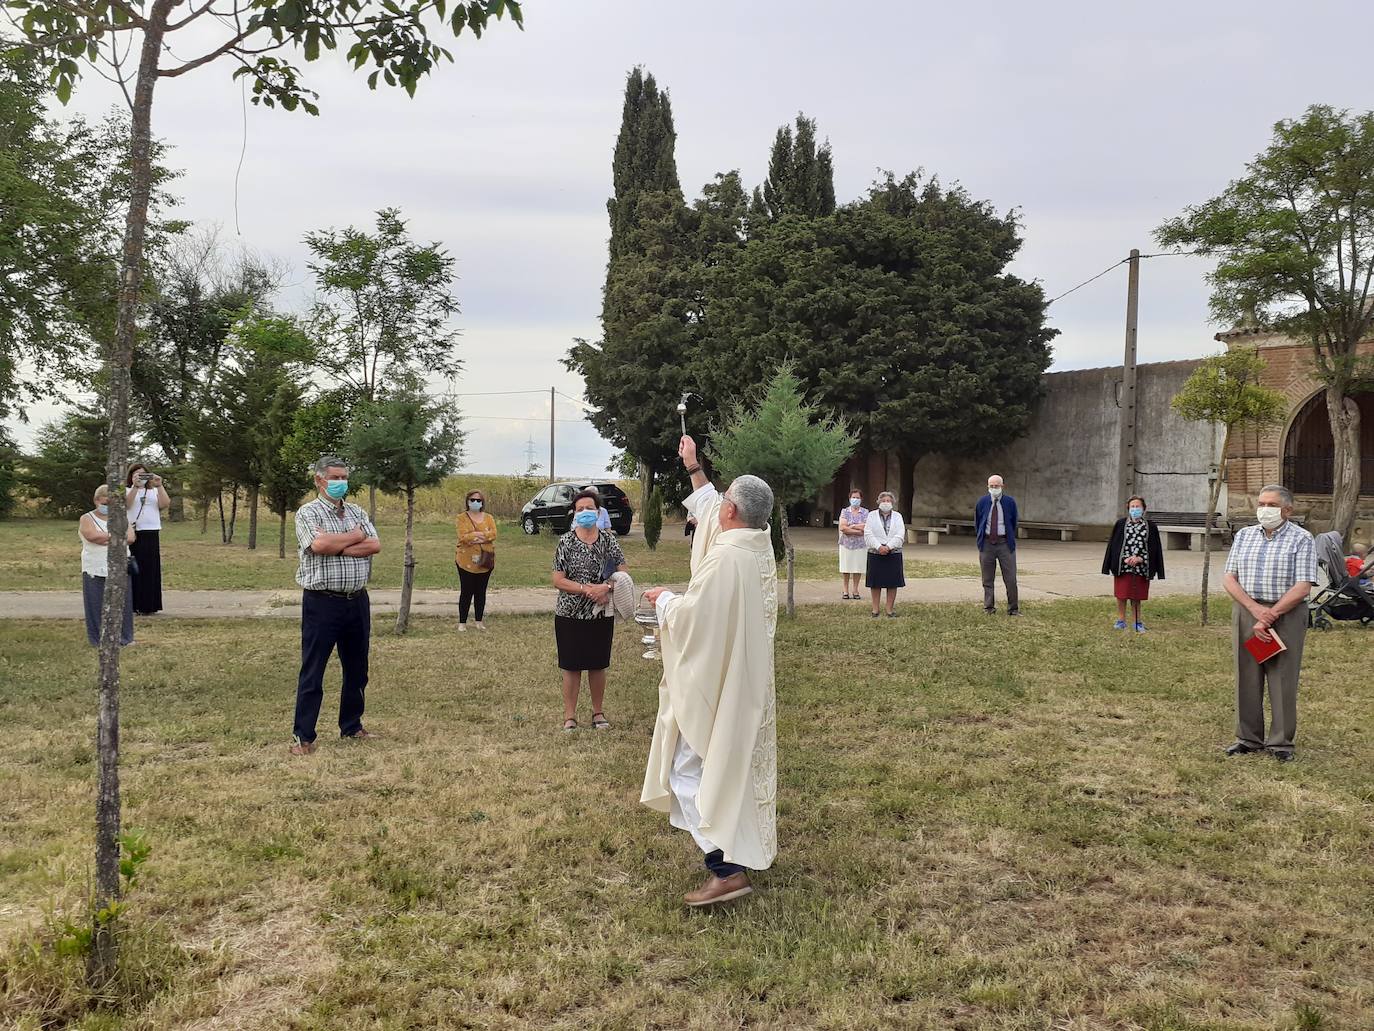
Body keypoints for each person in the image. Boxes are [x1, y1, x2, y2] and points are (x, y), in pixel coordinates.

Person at [641, 435, 777, 907]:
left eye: (723, 504)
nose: (717, 509)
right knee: (725, 768)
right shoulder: (756, 546)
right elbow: (712, 510)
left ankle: (726, 868)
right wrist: (693, 467)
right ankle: (737, 850)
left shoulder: (725, 558)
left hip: (716, 679)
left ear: (731, 514)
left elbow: (693, 618)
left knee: (687, 767)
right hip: (742, 674)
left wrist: (665, 601)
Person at [291, 456, 382, 756]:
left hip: (356, 601)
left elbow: (374, 545)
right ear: (319, 480)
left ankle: (352, 726)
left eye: (344, 477)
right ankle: (303, 737)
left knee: (357, 668)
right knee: (313, 669)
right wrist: (355, 536)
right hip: (322, 603)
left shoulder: (357, 511)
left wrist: (338, 543)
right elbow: (317, 546)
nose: (340, 482)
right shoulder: (308, 513)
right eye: (334, 477)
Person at [1222, 484, 1317, 763]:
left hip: (1285, 613)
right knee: (1246, 673)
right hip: (1248, 611)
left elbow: (1303, 585)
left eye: (1271, 505)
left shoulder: (1302, 539)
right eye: (1261, 504)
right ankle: (1247, 738)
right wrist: (1254, 610)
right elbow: (1230, 577)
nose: (1264, 510)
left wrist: (1270, 615)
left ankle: (1281, 741)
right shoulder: (1244, 536)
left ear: (1287, 510)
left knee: (1282, 676)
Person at [551, 490, 627, 731]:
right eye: (580, 509)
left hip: (600, 613)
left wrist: (606, 587)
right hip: (569, 614)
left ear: (598, 512)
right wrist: (586, 589)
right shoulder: (566, 542)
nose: (585, 512)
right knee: (571, 666)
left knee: (597, 664)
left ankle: (598, 713)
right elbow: (558, 580)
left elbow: (623, 574)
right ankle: (570, 716)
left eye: (589, 508)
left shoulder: (608, 541)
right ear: (574, 513)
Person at [79, 484, 135, 648]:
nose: (107, 507)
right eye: (104, 503)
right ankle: (98, 639)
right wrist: (117, 537)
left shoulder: (121, 517)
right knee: (96, 604)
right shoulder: (87, 518)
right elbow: (92, 536)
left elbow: (131, 537)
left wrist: (108, 538)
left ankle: (125, 637)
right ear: (96, 501)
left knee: (123, 603)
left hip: (121, 566)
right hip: (95, 567)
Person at [1101, 495, 1165, 632]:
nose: (1135, 509)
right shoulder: (1120, 524)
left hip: (1141, 567)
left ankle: (1137, 621)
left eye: (1138, 507)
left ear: (1143, 509)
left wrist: (1141, 558)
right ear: (1128, 509)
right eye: (1132, 507)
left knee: (1137, 596)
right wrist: (1124, 558)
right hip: (1123, 566)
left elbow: (1154, 548)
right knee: (1121, 594)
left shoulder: (1150, 526)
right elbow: (1114, 546)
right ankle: (1121, 620)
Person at [125, 462, 170, 615]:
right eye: (136, 474)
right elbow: (126, 505)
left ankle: (150, 604)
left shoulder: (153, 491)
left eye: (144, 474)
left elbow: (164, 504)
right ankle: (134, 604)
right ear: (131, 476)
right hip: (134, 532)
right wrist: (135, 487)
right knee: (135, 568)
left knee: (151, 568)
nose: (140, 478)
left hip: (151, 532)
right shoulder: (126, 490)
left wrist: (159, 485)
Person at [976, 474, 1020, 616]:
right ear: (988, 486)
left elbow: (1013, 522)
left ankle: (1013, 609)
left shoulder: (1009, 502)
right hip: (987, 543)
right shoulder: (982, 502)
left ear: (1002, 486)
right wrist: (981, 538)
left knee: (1011, 578)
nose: (994, 488)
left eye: (997, 486)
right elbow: (978, 521)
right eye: (991, 486)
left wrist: (1008, 538)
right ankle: (989, 607)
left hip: (1005, 543)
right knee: (987, 578)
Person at [455, 488, 497, 631]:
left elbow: (494, 534)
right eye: (472, 500)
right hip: (465, 561)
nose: (475, 502)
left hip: (485, 560)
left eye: (478, 500)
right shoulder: (461, 518)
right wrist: (482, 536)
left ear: (482, 502)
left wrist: (474, 536)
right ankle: (462, 623)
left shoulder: (489, 518)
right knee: (466, 591)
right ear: (467, 501)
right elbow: (463, 537)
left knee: (481, 591)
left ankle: (479, 621)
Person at [864, 491, 905, 617]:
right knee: (875, 583)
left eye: (888, 501)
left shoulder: (898, 516)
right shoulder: (871, 515)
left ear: (892, 502)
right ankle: (875, 610)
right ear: (878, 502)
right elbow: (868, 533)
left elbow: (900, 534)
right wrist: (879, 547)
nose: (885, 503)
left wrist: (888, 546)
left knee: (892, 582)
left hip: (893, 553)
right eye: (883, 500)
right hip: (876, 553)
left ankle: (889, 609)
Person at [838, 489, 868, 600]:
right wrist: (858, 530)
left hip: (860, 545)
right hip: (846, 544)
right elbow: (843, 528)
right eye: (853, 497)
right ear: (850, 498)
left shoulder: (865, 512)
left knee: (858, 567)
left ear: (861, 499)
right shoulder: (845, 511)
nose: (855, 499)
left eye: (858, 498)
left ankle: (855, 589)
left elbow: (866, 527)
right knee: (846, 567)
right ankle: (845, 589)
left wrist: (852, 526)